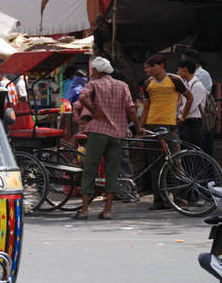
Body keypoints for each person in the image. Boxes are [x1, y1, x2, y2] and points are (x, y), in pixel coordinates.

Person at [73, 57, 141, 221]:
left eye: (93, 70)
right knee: (112, 171)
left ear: (98, 71)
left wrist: (94, 111)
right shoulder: (122, 86)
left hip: (98, 132)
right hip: (117, 134)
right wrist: (138, 129)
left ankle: (84, 209)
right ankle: (108, 210)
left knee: (90, 169)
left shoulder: (94, 84)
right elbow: (131, 109)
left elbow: (82, 98)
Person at [141, 53, 193, 210]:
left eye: (152, 66)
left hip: (169, 125)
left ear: (162, 65)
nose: (149, 70)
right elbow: (146, 107)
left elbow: (189, 98)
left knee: (176, 162)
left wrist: (183, 117)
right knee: (155, 164)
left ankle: (180, 198)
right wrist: (140, 126)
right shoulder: (147, 83)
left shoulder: (175, 80)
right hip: (151, 125)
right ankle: (159, 200)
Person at [182, 49, 214, 156]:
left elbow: (194, 99)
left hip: (199, 116)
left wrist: (181, 114)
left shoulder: (202, 75)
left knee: (201, 148)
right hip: (190, 116)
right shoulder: (190, 77)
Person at [176, 58, 206, 149]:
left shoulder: (197, 86)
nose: (177, 72)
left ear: (185, 70)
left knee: (193, 152)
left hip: (194, 123)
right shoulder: (185, 84)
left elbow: (191, 107)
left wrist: (180, 112)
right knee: (185, 152)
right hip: (185, 121)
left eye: (179, 69)